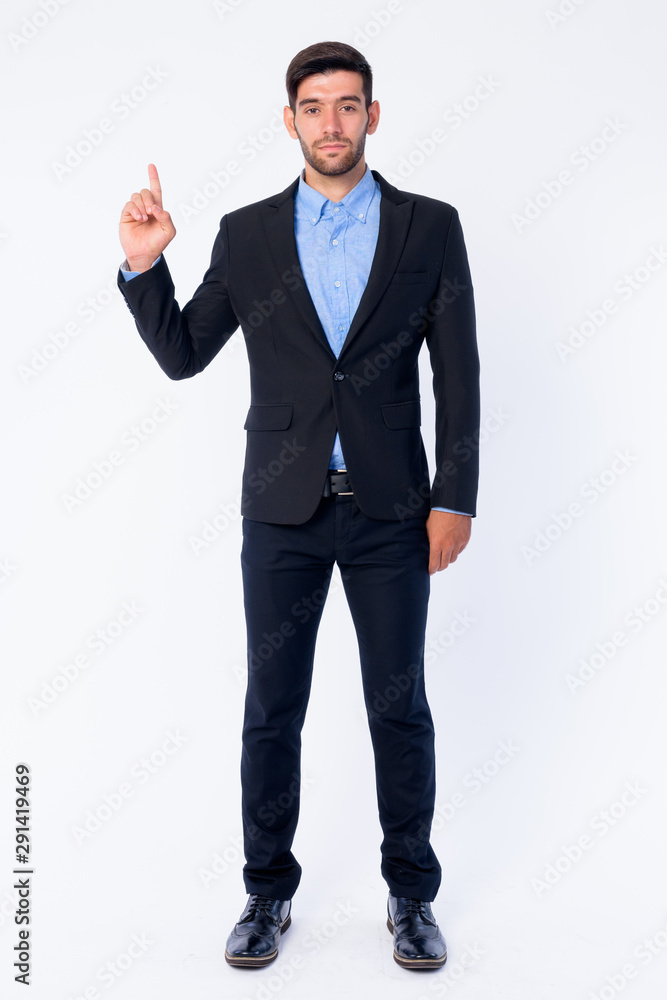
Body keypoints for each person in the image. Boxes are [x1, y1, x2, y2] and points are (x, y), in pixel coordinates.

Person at [117, 40, 479, 972]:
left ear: (372, 115)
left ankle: (410, 895)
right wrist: (145, 267)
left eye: (347, 105)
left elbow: (458, 373)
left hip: (393, 511)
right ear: (289, 121)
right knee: (271, 708)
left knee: (398, 706)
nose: (331, 123)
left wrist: (455, 500)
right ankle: (266, 892)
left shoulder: (429, 227)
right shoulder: (246, 236)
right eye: (313, 107)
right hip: (281, 510)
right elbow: (184, 353)